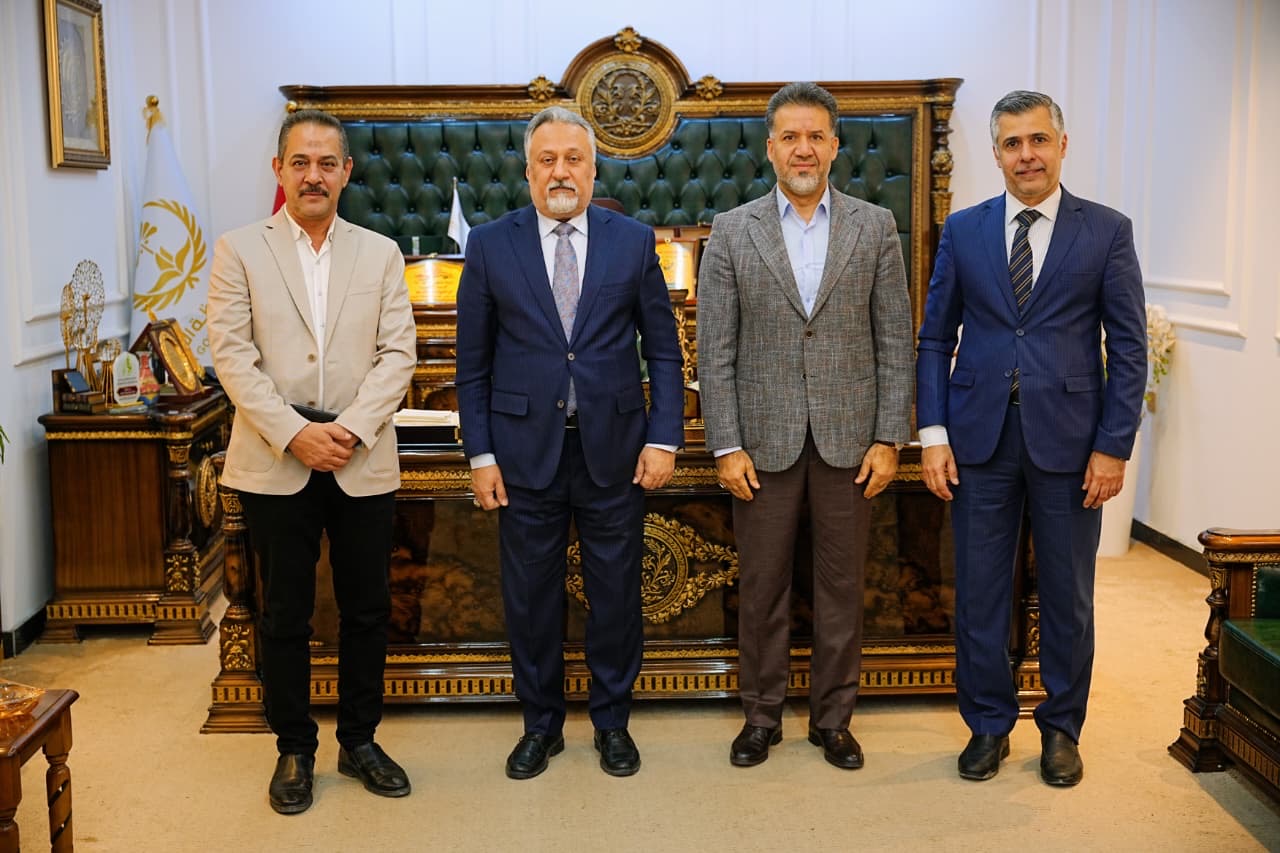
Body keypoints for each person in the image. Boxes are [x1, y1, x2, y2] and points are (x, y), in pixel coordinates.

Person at [915, 90, 1146, 786]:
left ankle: (1061, 728)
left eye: (1038, 140)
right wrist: (933, 433)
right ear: (996, 154)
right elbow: (935, 338)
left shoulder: (1106, 231)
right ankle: (987, 724)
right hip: (977, 441)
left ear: (1062, 145)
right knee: (979, 592)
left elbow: (1128, 347)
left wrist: (1113, 445)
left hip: (1072, 445)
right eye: (1012, 144)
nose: (1027, 155)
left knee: (1069, 596)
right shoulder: (964, 229)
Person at [455, 106, 684, 780]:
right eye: (547, 159)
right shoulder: (490, 244)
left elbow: (663, 352)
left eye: (573, 159)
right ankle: (541, 725)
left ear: (593, 168)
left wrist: (664, 436)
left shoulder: (632, 241)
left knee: (616, 595)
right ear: (528, 171)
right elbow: (473, 363)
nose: (561, 171)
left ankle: (612, 722)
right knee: (531, 598)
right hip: (522, 453)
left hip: (615, 449)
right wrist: (481, 455)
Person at [697, 82, 914, 770]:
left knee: (841, 588)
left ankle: (833, 720)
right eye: (790, 136)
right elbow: (715, 349)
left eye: (816, 136)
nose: (803, 148)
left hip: (851, 441)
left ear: (834, 146)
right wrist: (726, 443)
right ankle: (760, 717)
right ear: (770, 148)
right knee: (761, 588)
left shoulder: (875, 226)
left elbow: (894, 339)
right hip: (762, 442)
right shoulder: (733, 230)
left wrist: (889, 437)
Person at [208, 108, 417, 814]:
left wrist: (350, 430)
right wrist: (295, 432)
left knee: (367, 609)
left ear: (346, 172)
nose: (313, 175)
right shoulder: (239, 250)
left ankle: (359, 741)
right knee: (285, 613)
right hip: (276, 458)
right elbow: (232, 357)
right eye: (300, 162)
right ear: (279, 170)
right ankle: (294, 747)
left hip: (361, 457)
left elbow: (399, 354)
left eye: (328, 163)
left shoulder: (381, 253)